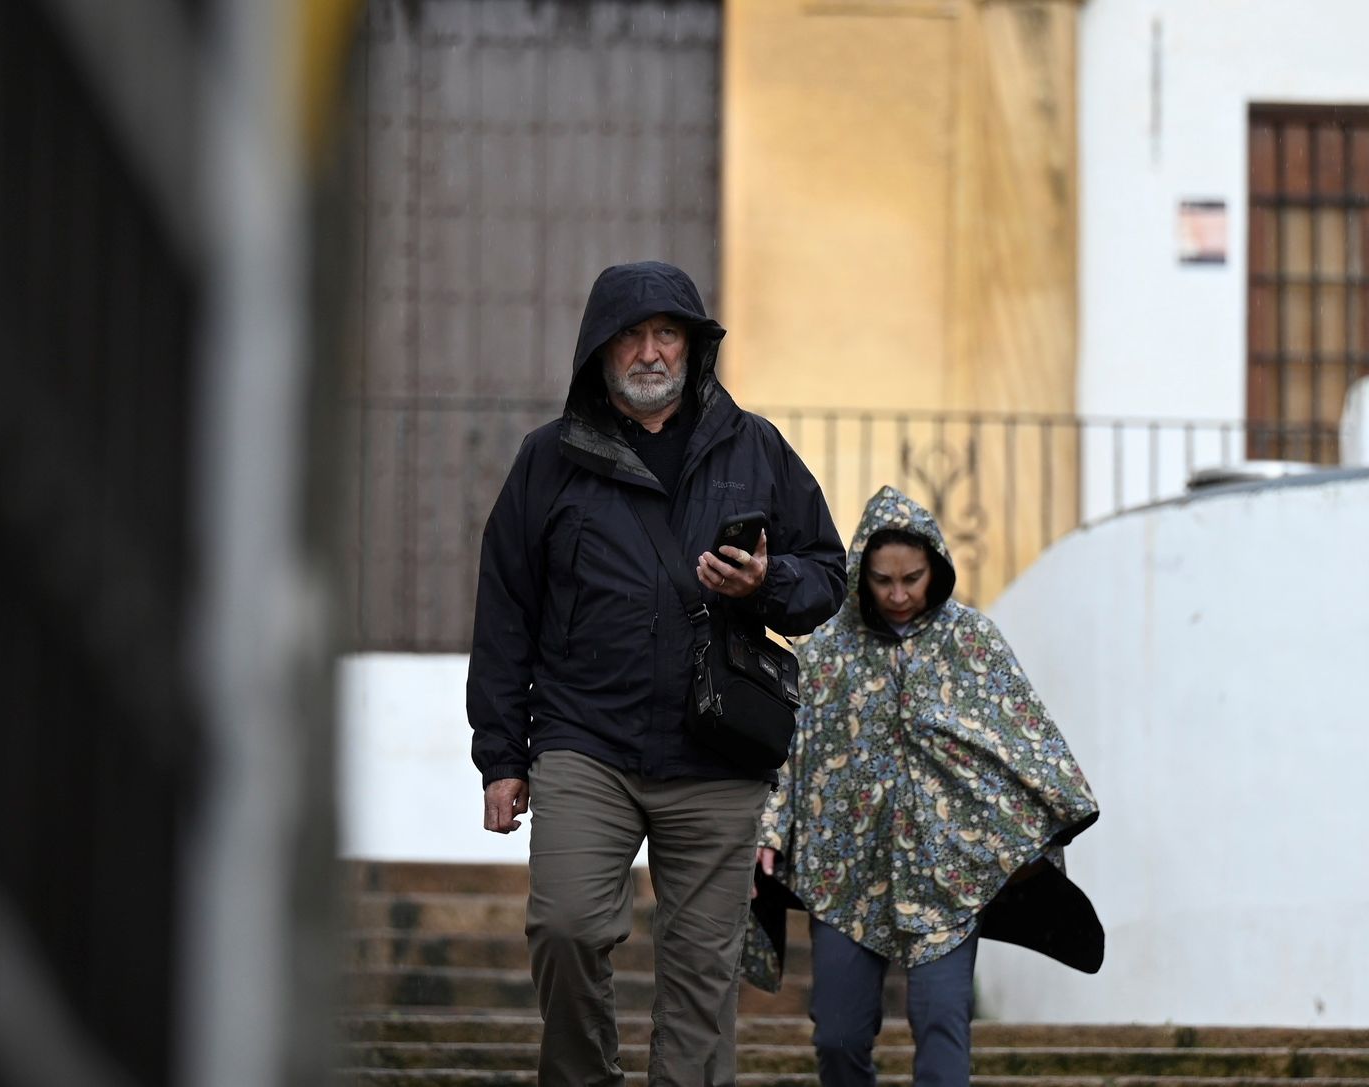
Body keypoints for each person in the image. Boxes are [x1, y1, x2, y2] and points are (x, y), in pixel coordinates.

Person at [467, 260, 847, 1087]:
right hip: (584, 743)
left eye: (665, 333)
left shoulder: (758, 449)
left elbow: (828, 577)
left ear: (693, 346)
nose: (648, 351)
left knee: (702, 976)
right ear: (598, 354)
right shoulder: (548, 460)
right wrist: (500, 754)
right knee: (565, 926)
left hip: (718, 753)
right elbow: (505, 609)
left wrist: (766, 584)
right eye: (630, 336)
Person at [745, 485, 1103, 1087]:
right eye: (883, 580)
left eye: (912, 577)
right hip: (842, 871)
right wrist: (770, 831)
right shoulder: (827, 648)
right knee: (837, 1036)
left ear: (935, 566)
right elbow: (791, 747)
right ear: (861, 573)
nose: (899, 594)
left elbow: (1023, 738)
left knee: (942, 1027)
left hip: (949, 876)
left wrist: (1036, 823)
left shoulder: (973, 642)